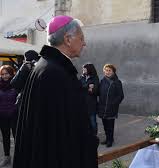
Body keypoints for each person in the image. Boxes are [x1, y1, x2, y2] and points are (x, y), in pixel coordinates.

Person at [13, 15, 98, 168]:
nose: (84, 43)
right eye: (81, 38)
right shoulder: (57, 73)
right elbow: (67, 132)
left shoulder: (45, 65)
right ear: (68, 39)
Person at [98, 64, 124, 147]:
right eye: (106, 70)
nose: (107, 72)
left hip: (111, 108)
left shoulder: (117, 82)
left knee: (110, 125)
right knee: (105, 124)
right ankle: (107, 138)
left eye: (109, 70)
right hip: (102, 107)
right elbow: (98, 92)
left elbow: (120, 96)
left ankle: (110, 140)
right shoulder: (102, 81)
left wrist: (113, 104)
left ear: (113, 72)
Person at [0, 65, 17, 167]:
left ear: (11, 74)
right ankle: (7, 157)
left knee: (17, 137)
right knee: (5, 137)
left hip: (14, 115)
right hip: (2, 116)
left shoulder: (16, 84)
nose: (4, 76)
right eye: (2, 74)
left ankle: (19, 158)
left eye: (7, 73)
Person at [80, 63, 99, 135]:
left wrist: (85, 88)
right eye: (83, 69)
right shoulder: (82, 77)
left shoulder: (95, 78)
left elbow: (95, 91)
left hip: (91, 104)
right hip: (82, 103)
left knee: (92, 121)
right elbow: (78, 87)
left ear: (89, 69)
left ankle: (94, 135)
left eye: (85, 69)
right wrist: (88, 87)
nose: (83, 70)